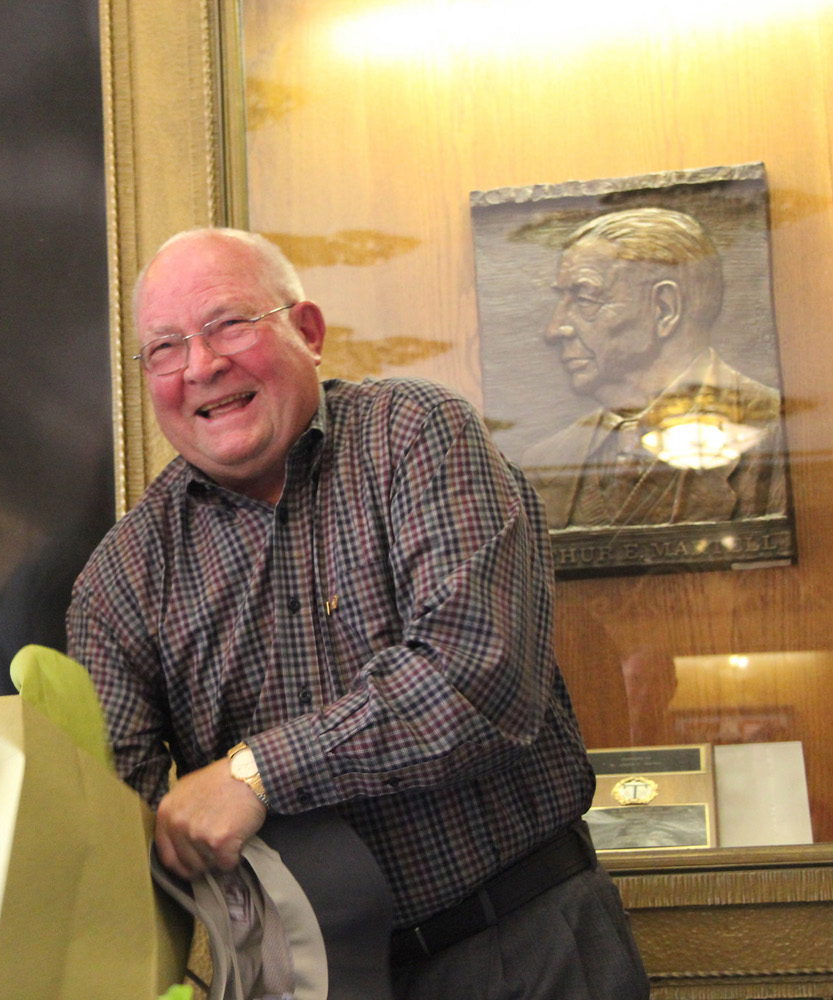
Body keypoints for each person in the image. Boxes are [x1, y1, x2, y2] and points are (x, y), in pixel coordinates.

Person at [67, 227, 648, 999]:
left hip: (524, 946)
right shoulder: (120, 579)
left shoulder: (418, 435)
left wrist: (257, 774)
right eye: (164, 348)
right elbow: (119, 826)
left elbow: (478, 679)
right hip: (302, 978)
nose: (201, 366)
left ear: (307, 332)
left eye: (228, 324)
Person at [523, 207, 787, 529]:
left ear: (664, 308)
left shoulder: (781, 433)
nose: (554, 329)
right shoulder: (545, 461)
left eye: (585, 299)